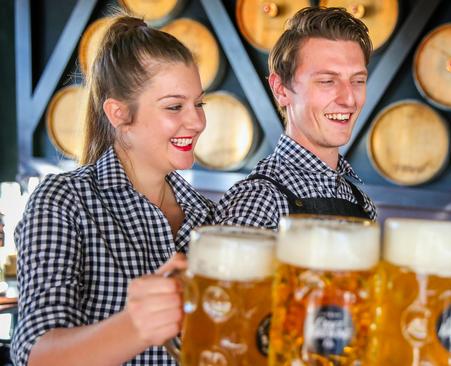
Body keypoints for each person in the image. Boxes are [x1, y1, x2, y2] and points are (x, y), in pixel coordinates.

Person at [11, 15, 218, 366]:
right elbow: (35, 354)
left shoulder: (207, 216)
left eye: (199, 103)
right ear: (119, 113)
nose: (196, 121)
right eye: (174, 106)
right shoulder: (64, 201)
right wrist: (135, 328)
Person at [216, 7, 377, 229]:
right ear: (281, 90)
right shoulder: (260, 201)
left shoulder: (361, 202)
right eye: (327, 81)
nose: (349, 99)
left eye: (358, 81)